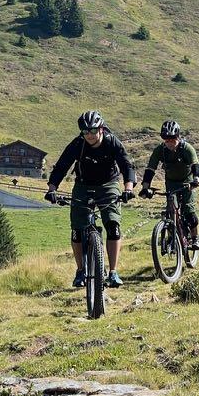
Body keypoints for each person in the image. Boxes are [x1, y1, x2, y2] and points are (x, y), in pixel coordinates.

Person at [46, 111, 135, 288]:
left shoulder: (111, 142)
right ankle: (80, 271)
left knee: (113, 225)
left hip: (108, 185)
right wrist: (52, 189)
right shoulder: (78, 144)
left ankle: (113, 272)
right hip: (83, 186)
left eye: (93, 130)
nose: (89, 135)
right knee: (77, 230)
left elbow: (127, 166)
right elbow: (61, 166)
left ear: (101, 129)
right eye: (85, 131)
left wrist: (128, 189)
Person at [139, 120, 199, 250]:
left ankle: (195, 238)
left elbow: (195, 165)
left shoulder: (187, 148)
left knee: (189, 211)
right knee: (170, 210)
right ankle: (172, 238)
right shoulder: (160, 150)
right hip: (171, 183)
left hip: (187, 182)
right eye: (166, 139)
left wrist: (196, 179)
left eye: (172, 139)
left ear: (177, 137)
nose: (169, 142)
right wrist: (145, 187)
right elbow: (150, 169)